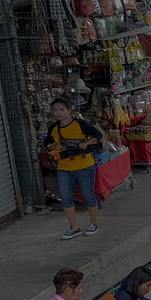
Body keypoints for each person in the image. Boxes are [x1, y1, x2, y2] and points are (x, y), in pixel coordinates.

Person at [46, 98, 103, 239]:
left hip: (84, 166)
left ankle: (93, 223)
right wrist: (53, 146)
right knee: (65, 198)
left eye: (61, 110)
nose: (58, 113)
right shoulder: (53, 127)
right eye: (55, 110)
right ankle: (74, 227)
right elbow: (47, 142)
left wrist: (88, 142)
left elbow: (98, 135)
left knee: (87, 195)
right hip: (64, 168)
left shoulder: (80, 124)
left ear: (69, 111)